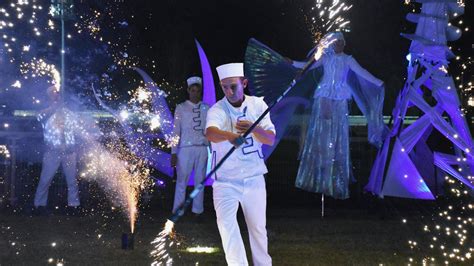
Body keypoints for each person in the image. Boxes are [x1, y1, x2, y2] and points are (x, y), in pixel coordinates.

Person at [292, 31, 385, 199]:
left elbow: (362, 72)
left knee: (337, 133)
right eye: (334, 42)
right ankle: (320, 174)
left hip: (340, 96)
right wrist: (291, 63)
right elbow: (308, 65)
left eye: (340, 42)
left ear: (344, 43)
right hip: (325, 95)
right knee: (323, 131)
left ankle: (334, 178)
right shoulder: (326, 58)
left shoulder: (348, 60)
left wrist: (378, 82)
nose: (337, 45)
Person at [205, 63, 275, 265]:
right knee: (226, 226)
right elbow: (210, 133)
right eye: (224, 87)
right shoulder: (217, 109)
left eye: (233, 86)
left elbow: (270, 138)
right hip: (225, 181)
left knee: (258, 228)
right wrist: (230, 136)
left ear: (244, 83)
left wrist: (254, 129)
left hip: (254, 179)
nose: (229, 91)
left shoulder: (258, 106)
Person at [34, 85, 82, 214]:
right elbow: (38, 118)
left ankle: (74, 206)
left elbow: (77, 129)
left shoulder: (69, 114)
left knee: (72, 180)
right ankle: (39, 206)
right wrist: (52, 109)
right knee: (45, 179)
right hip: (52, 151)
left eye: (58, 95)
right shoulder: (45, 113)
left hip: (69, 152)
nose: (56, 96)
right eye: (53, 94)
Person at [171, 76, 210, 216]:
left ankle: (197, 211)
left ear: (200, 92)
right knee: (182, 181)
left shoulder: (207, 108)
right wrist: (173, 152)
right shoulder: (181, 108)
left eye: (197, 90)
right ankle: (177, 211)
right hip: (185, 149)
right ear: (188, 91)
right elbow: (176, 130)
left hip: (202, 148)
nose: (195, 93)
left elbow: (210, 129)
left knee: (200, 181)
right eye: (192, 90)